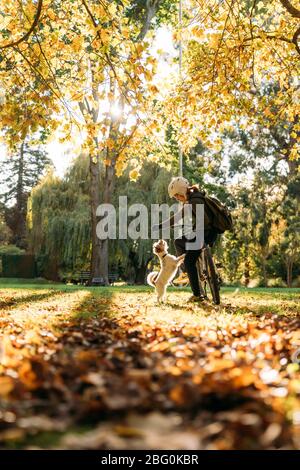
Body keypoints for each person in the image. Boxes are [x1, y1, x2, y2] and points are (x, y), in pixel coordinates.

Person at [153, 177, 218, 302]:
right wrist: (161, 225)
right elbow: (177, 217)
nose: (177, 199)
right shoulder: (196, 198)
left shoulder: (194, 202)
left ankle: (197, 294)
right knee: (178, 241)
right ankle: (188, 270)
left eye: (177, 196)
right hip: (207, 233)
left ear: (182, 192)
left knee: (188, 261)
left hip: (204, 234)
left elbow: (203, 222)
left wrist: (196, 236)